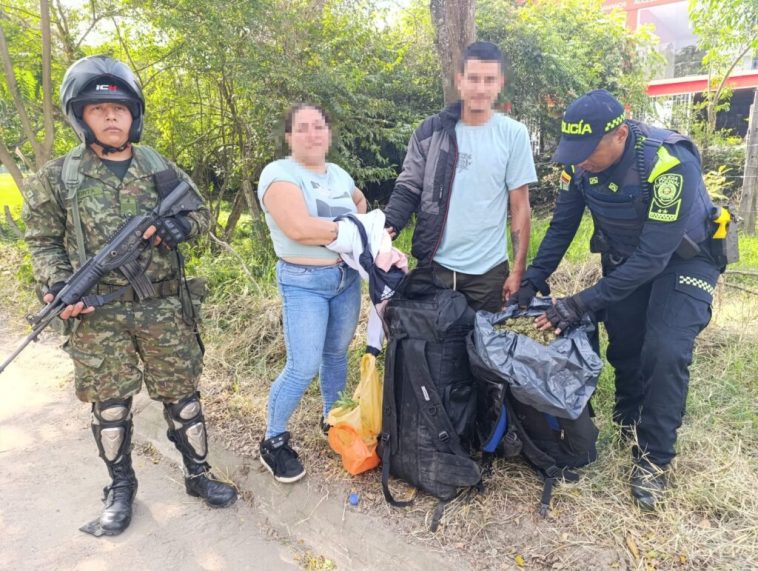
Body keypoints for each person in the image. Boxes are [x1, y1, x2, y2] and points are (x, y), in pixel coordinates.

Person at [21, 55, 236, 537]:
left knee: (182, 398)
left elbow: (199, 216)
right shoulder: (60, 177)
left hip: (163, 307)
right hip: (98, 315)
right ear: (81, 117)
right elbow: (41, 239)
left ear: (133, 115)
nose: (111, 117)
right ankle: (121, 487)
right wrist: (57, 286)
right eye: (98, 109)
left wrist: (179, 227)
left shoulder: (157, 165)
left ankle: (198, 475)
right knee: (111, 406)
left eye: (119, 108)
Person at [518, 89, 723, 510]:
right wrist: (531, 280)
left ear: (621, 135)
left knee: (665, 350)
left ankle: (653, 459)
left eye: (587, 150)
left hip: (684, 261)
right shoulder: (578, 167)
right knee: (626, 344)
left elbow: (654, 257)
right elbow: (562, 227)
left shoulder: (669, 163)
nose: (580, 161)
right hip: (627, 259)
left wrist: (580, 303)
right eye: (573, 152)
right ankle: (630, 420)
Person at [257, 103, 367, 483]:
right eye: (301, 128)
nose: (312, 134)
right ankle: (273, 439)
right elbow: (298, 229)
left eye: (318, 126)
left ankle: (332, 418)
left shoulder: (338, 173)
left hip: (345, 279)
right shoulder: (278, 173)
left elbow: (360, 204)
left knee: (336, 354)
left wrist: (358, 227)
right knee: (303, 365)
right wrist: (352, 233)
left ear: (328, 133)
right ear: (289, 136)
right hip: (304, 281)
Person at [383, 41, 536, 312]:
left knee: (482, 350)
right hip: (435, 266)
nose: (480, 88)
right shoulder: (432, 131)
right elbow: (408, 186)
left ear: (499, 83)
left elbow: (520, 206)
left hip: (488, 273)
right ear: (460, 80)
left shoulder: (514, 134)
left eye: (489, 80)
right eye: (473, 78)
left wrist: (518, 269)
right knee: (435, 350)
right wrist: (386, 229)